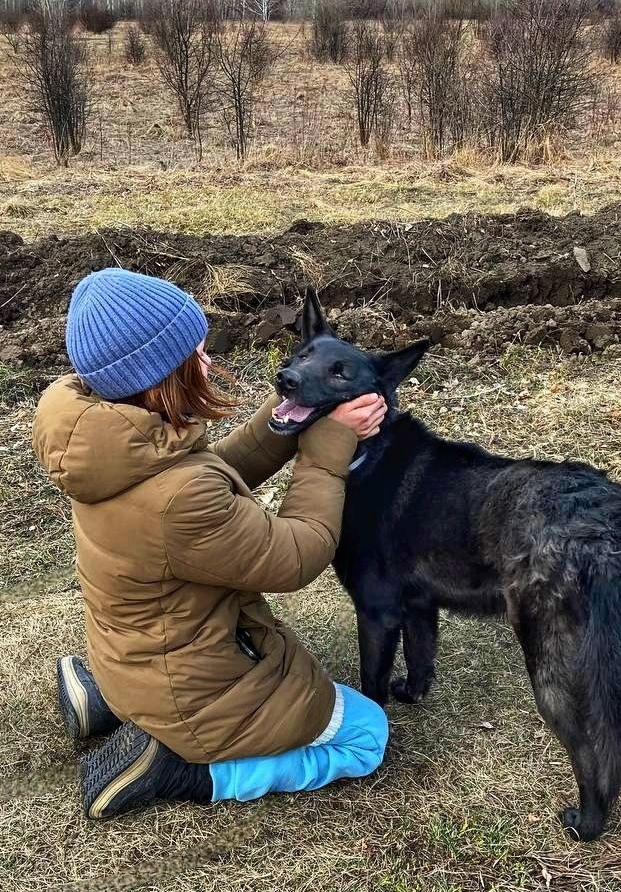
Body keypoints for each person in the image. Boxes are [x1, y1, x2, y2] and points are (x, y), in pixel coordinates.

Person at [32, 268, 389, 819]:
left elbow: (211, 473)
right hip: (193, 696)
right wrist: (328, 450)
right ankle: (184, 769)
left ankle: (110, 699)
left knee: (145, 670)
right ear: (159, 377)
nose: (208, 362)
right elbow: (297, 554)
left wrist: (289, 418)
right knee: (366, 735)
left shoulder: (106, 442)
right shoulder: (179, 497)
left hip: (130, 657)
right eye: (195, 354)